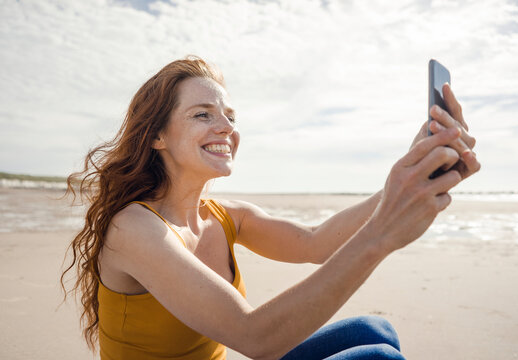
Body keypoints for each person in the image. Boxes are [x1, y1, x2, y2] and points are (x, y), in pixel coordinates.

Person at [62, 56, 480, 360]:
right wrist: (381, 236)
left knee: (375, 331)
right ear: (157, 137)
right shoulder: (134, 228)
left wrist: (409, 175)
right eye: (202, 115)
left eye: (229, 115)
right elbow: (255, 337)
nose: (226, 127)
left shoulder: (223, 216)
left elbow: (315, 244)